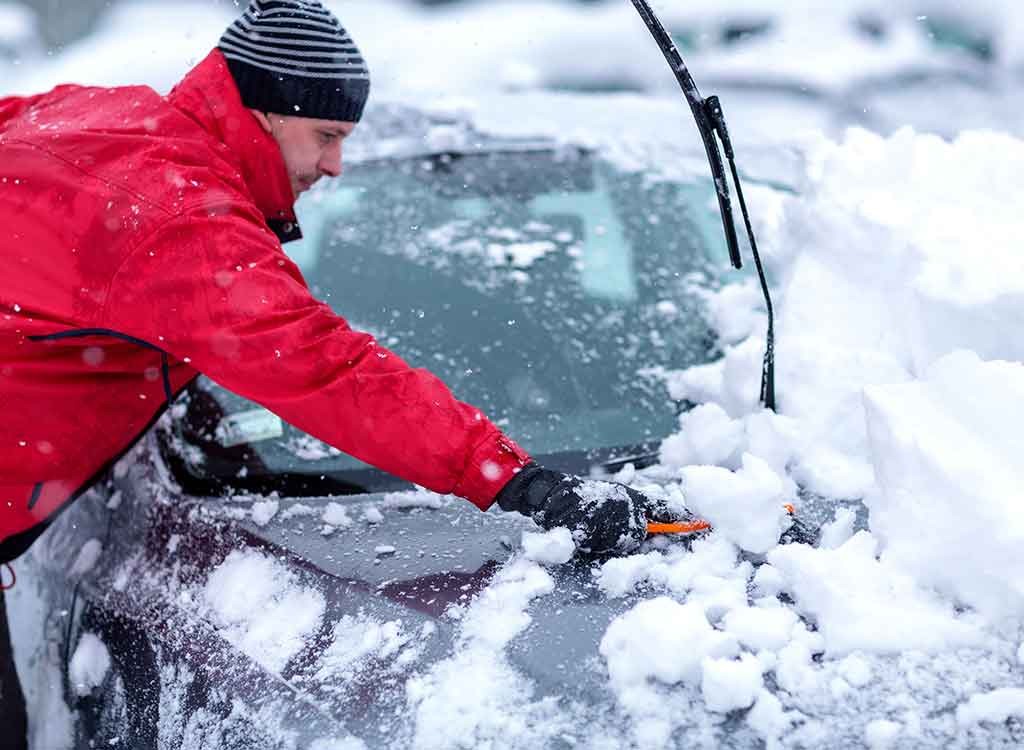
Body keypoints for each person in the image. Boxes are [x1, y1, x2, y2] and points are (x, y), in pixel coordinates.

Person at [0, 0, 680, 743]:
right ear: (265, 113)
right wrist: (522, 482)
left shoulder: (105, 116)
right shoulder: (179, 220)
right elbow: (330, 370)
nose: (334, 165)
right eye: (326, 135)